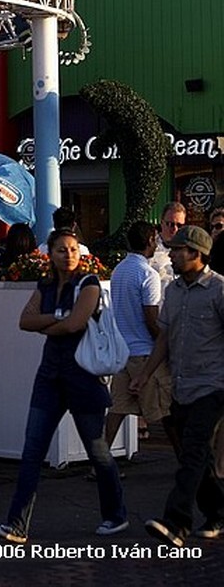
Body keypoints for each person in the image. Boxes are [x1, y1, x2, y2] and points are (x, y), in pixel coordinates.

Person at [0, 228, 128, 543]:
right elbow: (24, 321)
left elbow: (75, 323)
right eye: (62, 250)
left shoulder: (89, 284)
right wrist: (57, 318)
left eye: (73, 249)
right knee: (32, 450)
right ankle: (17, 525)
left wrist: (49, 323)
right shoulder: (46, 284)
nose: (69, 255)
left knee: (98, 451)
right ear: (49, 254)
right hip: (49, 376)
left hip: (82, 377)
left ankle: (115, 514)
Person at [133, 225, 224, 546]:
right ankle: (218, 512)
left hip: (213, 386)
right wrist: (145, 374)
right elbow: (165, 338)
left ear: (196, 255)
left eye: (177, 250)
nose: (170, 255)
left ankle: (176, 522)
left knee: (194, 452)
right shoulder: (172, 290)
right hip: (181, 385)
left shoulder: (219, 290)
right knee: (195, 455)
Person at [104, 221, 177, 454]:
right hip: (146, 353)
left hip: (123, 352)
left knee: (117, 409)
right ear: (149, 241)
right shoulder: (148, 274)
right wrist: (165, 343)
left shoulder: (119, 271)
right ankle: (186, 463)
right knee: (166, 410)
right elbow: (150, 316)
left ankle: (101, 461)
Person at [149, 201, 186, 297]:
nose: (175, 229)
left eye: (180, 225)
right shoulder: (149, 249)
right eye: (170, 224)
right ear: (161, 223)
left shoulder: (189, 250)